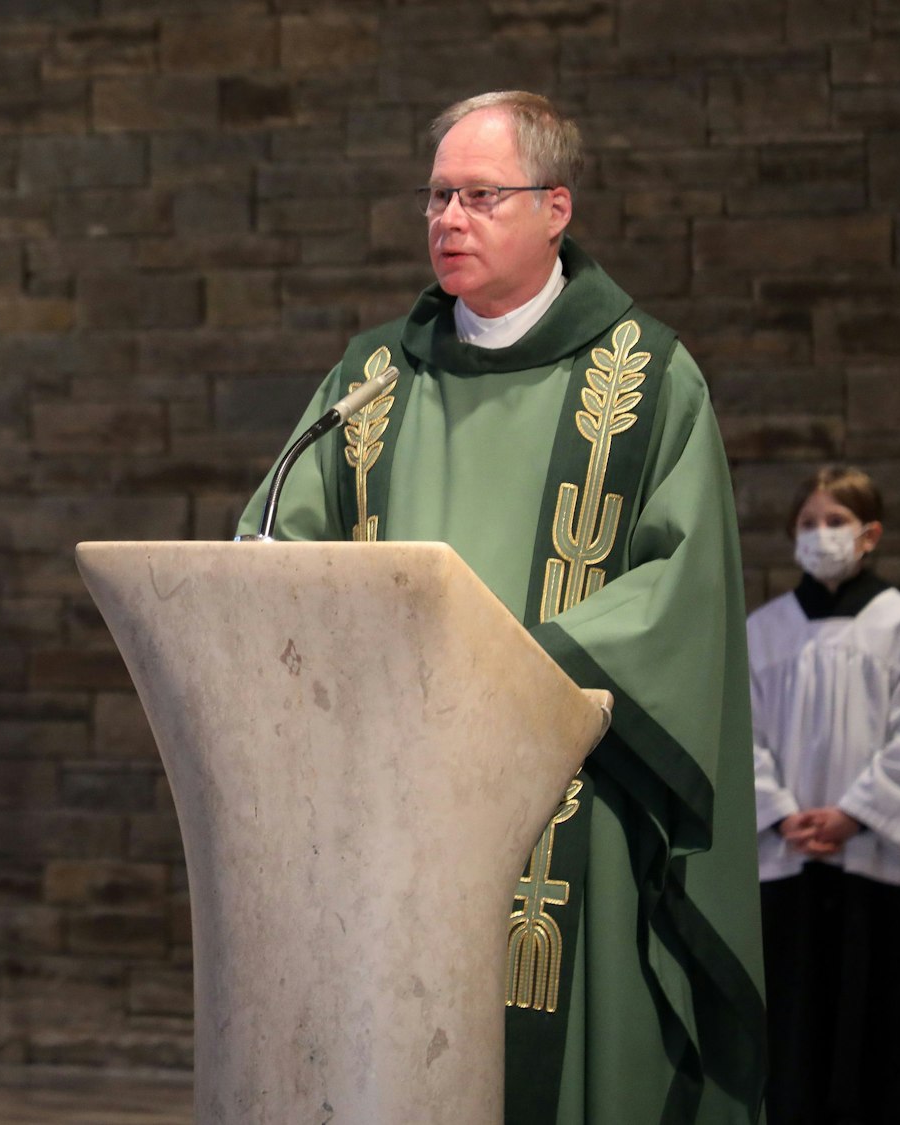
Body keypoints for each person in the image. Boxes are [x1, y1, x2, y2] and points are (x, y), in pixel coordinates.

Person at [238, 91, 765, 1124]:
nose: (448, 219)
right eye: (436, 196)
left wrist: (496, 669)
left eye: (480, 196)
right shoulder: (370, 379)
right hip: (392, 794)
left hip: (568, 793)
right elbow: (272, 550)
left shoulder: (646, 379)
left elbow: (678, 593)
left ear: (555, 207)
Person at [749, 466, 900, 1125]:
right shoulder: (764, 631)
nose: (821, 534)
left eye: (836, 521)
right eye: (808, 523)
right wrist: (779, 812)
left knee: (878, 1057)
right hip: (788, 870)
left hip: (872, 875)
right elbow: (738, 735)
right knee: (792, 1057)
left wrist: (852, 816)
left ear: (871, 534)